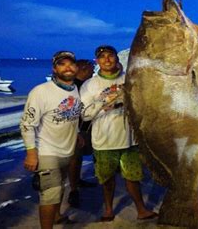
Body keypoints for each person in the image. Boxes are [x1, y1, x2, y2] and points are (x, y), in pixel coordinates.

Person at [80, 45, 157, 222]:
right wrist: (103, 103)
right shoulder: (89, 85)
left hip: (130, 140)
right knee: (107, 180)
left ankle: (141, 209)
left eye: (110, 56)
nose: (107, 60)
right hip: (103, 141)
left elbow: (143, 106)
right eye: (102, 57)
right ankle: (108, 210)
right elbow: (84, 114)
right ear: (97, 61)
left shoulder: (129, 79)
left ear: (116, 58)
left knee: (133, 178)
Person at [20, 51, 82, 228]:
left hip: (67, 150)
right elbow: (26, 124)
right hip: (47, 151)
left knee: (60, 187)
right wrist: (31, 153)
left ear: (76, 68)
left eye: (71, 64)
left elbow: (72, 114)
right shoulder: (41, 92)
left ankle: (57, 216)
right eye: (62, 64)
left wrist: (76, 133)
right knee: (49, 193)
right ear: (54, 69)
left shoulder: (75, 89)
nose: (67, 67)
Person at [67, 59, 97, 208]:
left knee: (79, 158)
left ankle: (77, 181)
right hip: (75, 129)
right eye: (91, 69)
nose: (93, 72)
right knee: (74, 158)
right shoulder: (72, 87)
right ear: (82, 69)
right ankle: (73, 189)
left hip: (85, 127)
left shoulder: (87, 85)